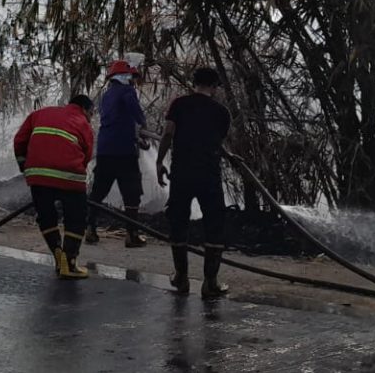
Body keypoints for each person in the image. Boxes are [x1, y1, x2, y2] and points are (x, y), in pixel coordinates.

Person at [157, 67, 233, 299]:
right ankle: (210, 283)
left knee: (178, 221)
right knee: (214, 224)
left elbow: (169, 133)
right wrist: (227, 155)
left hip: (182, 172)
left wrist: (159, 161)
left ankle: (181, 278)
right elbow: (214, 141)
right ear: (215, 86)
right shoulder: (222, 112)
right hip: (209, 174)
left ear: (194, 82)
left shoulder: (179, 104)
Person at [14, 94, 96, 279]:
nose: (91, 117)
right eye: (91, 113)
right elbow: (87, 154)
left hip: (38, 175)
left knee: (46, 216)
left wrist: (24, 165)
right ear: (84, 109)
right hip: (69, 176)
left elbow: (19, 140)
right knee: (76, 218)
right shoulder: (82, 122)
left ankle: (58, 254)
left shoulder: (40, 113)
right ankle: (70, 262)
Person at [86, 60, 150, 248]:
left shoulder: (106, 95)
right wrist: (143, 124)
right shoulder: (127, 92)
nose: (133, 81)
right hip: (124, 152)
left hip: (106, 149)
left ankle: (90, 229)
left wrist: (136, 138)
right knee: (132, 193)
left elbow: (117, 123)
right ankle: (132, 235)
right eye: (132, 77)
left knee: (98, 190)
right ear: (125, 77)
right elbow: (136, 113)